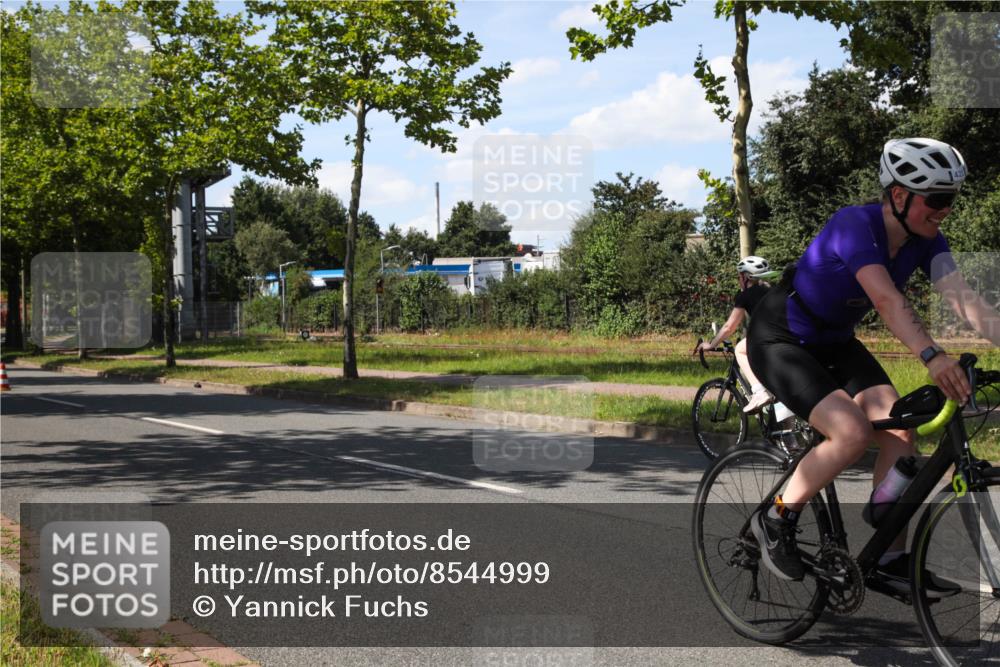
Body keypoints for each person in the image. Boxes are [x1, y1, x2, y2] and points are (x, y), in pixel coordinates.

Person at [746, 137, 1000, 594]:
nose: (945, 210)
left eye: (952, 200)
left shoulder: (925, 240)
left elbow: (967, 302)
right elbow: (886, 299)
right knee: (852, 432)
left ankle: (888, 555)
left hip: (835, 341)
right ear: (900, 195)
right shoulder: (854, 225)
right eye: (937, 199)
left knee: (901, 426)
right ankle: (775, 516)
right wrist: (933, 355)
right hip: (781, 337)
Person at [695, 256, 774, 413]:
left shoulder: (745, 295)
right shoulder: (773, 290)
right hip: (785, 337)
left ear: (745, 277)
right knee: (778, 391)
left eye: (739, 276)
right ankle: (789, 437)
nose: (738, 279)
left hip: (767, 338)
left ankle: (759, 392)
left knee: (739, 349)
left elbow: (728, 327)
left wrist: (711, 345)